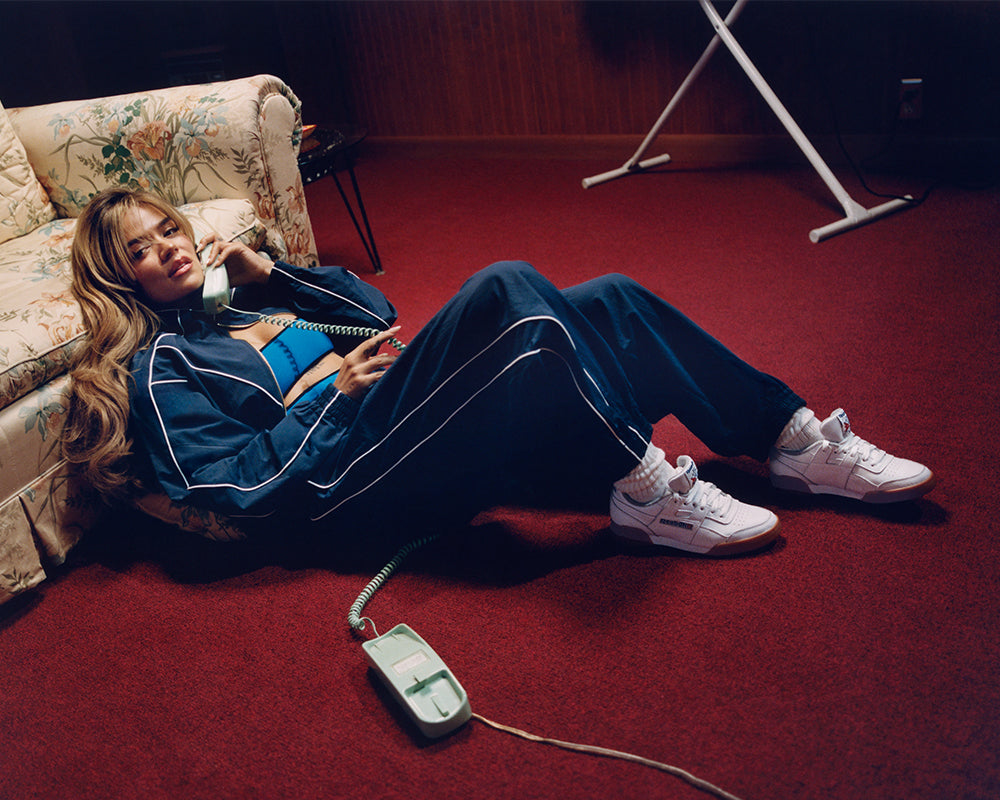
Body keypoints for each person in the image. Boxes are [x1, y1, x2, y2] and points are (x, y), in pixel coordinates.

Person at [63, 188, 934, 560]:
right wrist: (333, 392)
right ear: (119, 276)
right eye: (139, 250)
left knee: (611, 299)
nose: (168, 249)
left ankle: (789, 438)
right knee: (505, 290)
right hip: (339, 489)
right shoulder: (163, 369)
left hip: (395, 428)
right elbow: (231, 484)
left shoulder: (243, 305)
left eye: (168, 229)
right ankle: (643, 492)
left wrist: (271, 276)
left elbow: (377, 320)